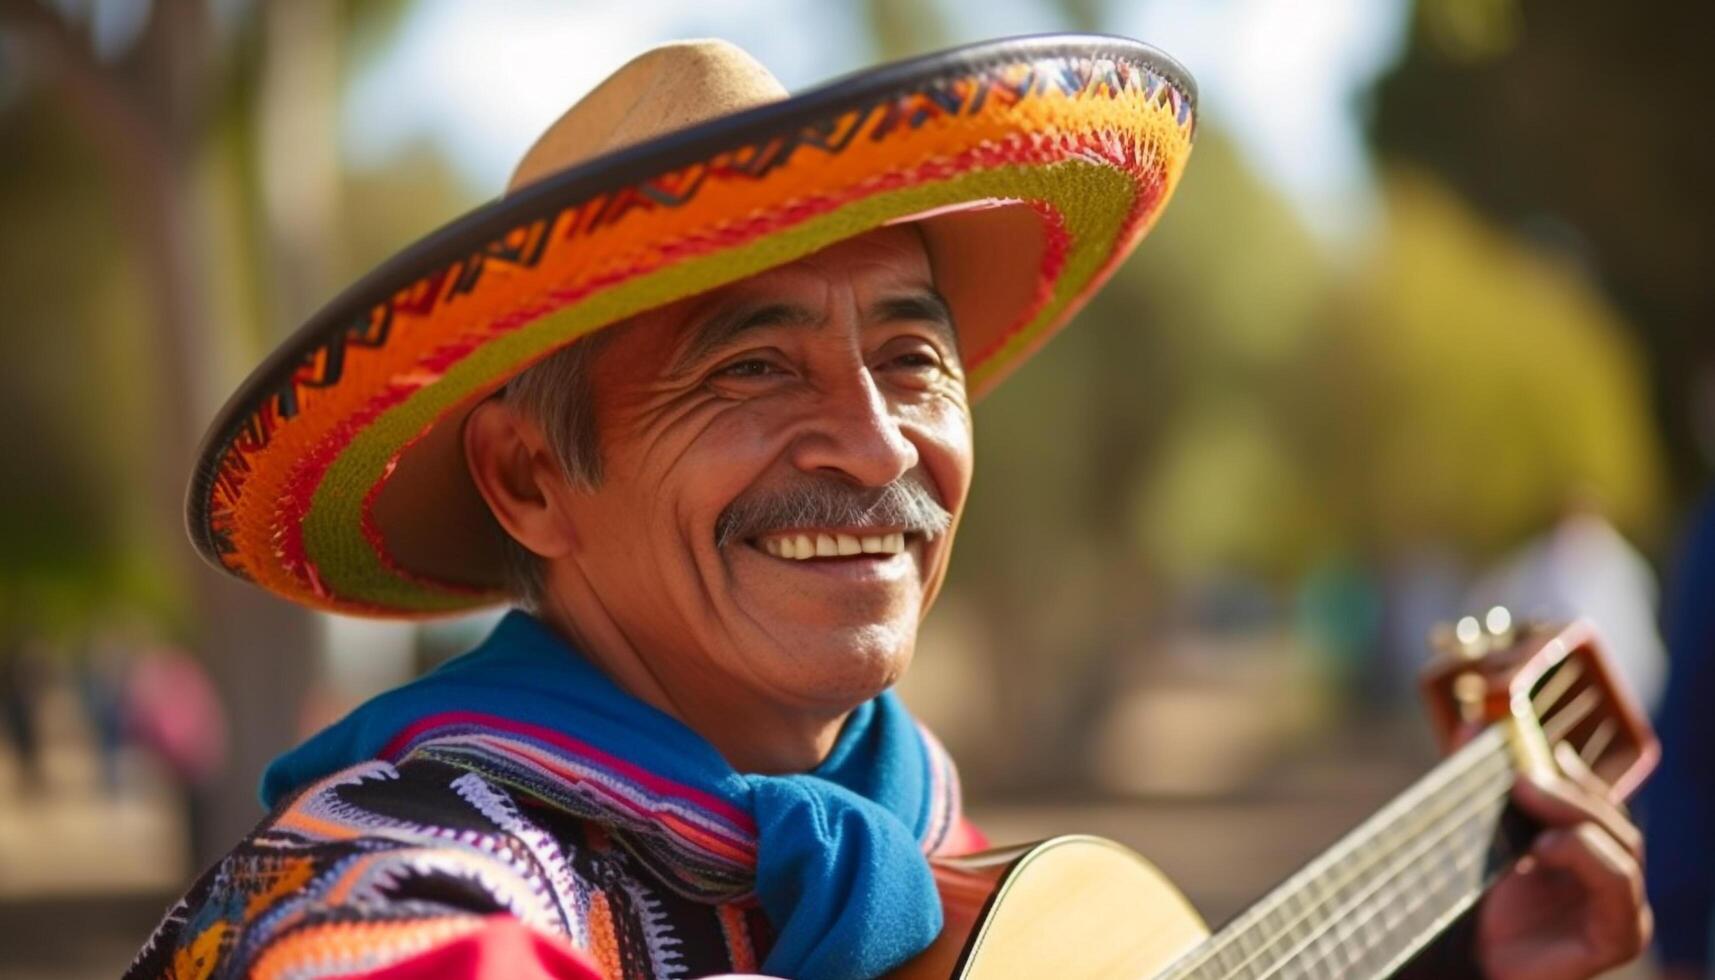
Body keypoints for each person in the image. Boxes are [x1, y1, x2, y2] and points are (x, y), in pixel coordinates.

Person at [127, 36, 1650, 980]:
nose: (872, 444)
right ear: (534, 478)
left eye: (913, 355)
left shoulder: (936, 864)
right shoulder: (405, 870)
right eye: (748, 366)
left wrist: (1451, 954)